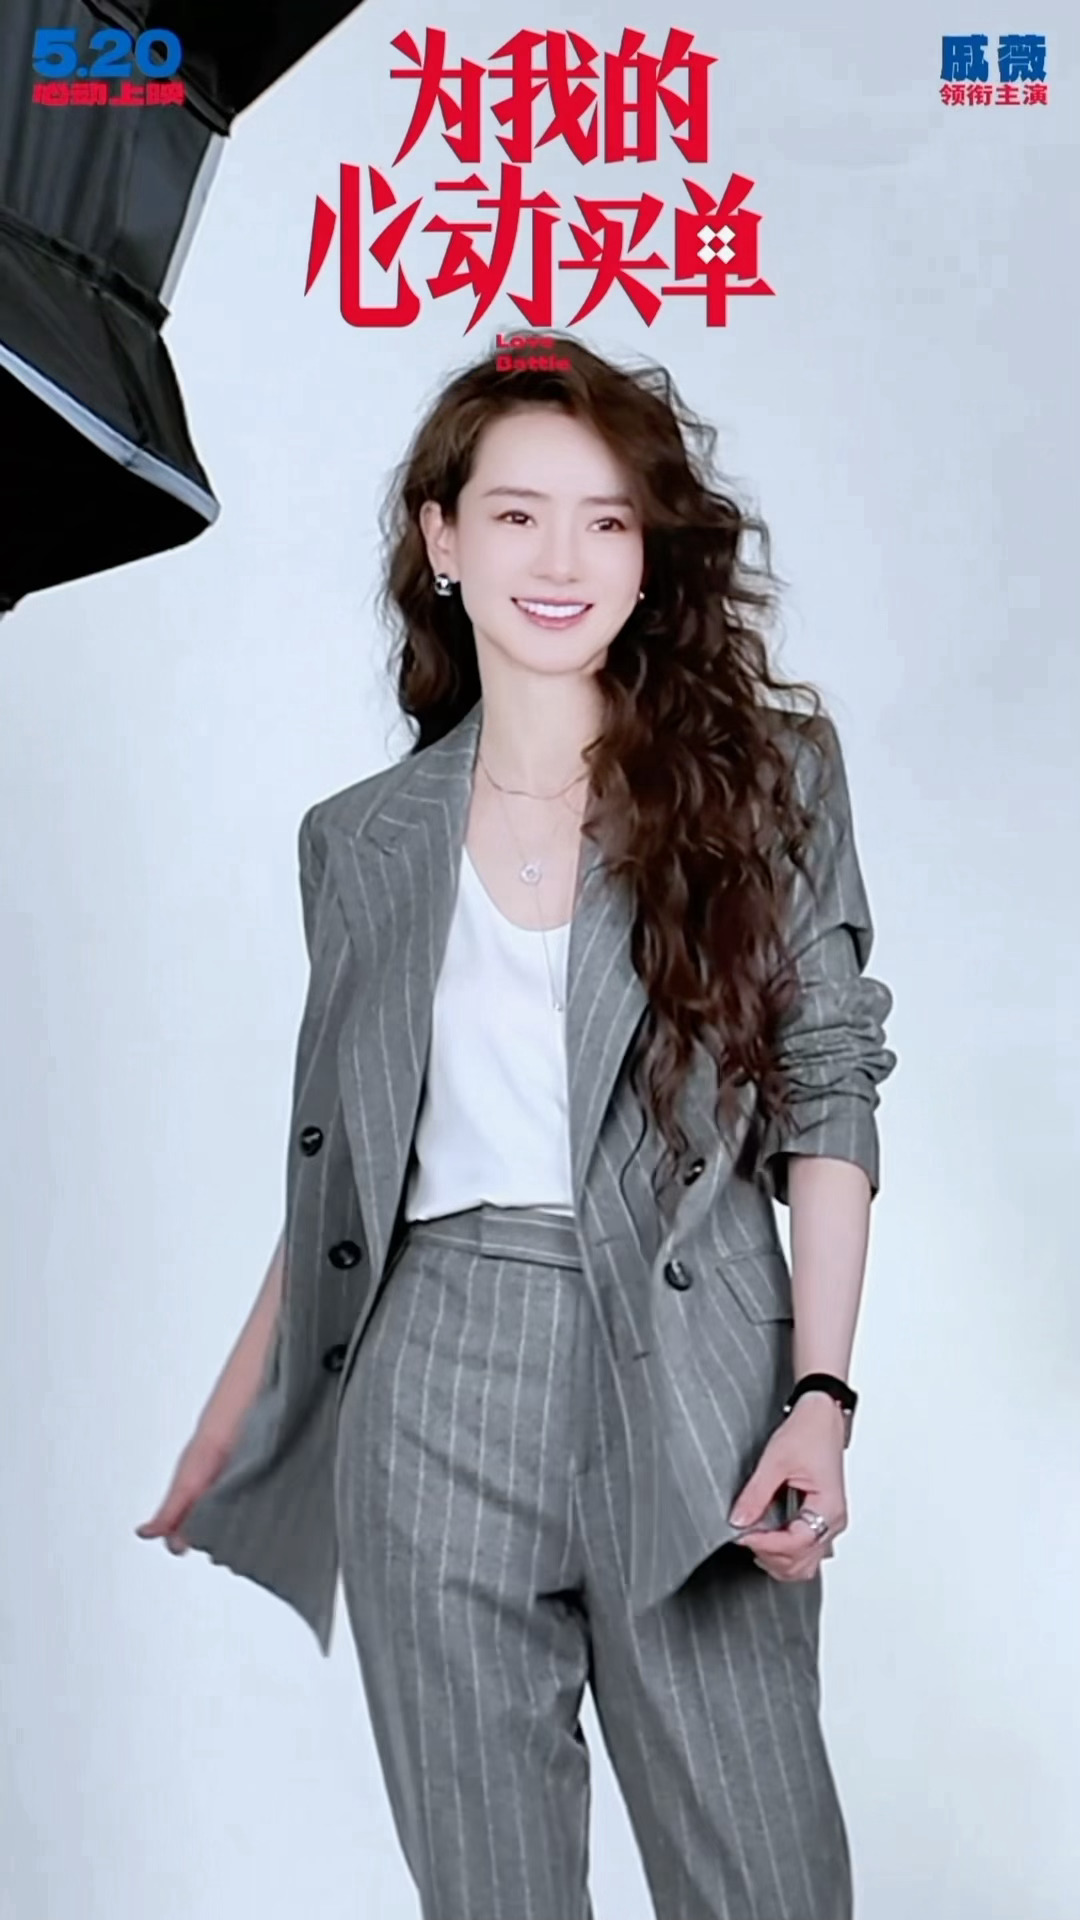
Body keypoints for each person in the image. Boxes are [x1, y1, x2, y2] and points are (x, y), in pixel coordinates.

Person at [137, 334, 897, 1920]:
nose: (561, 562)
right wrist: (236, 1420)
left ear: (650, 553)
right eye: (516, 515)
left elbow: (829, 1080)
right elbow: (347, 1170)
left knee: (766, 1875)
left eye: (606, 521)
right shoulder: (359, 841)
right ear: (442, 539)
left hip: (695, 1370)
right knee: (489, 1890)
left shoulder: (765, 780)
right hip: (433, 1376)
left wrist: (820, 1391)